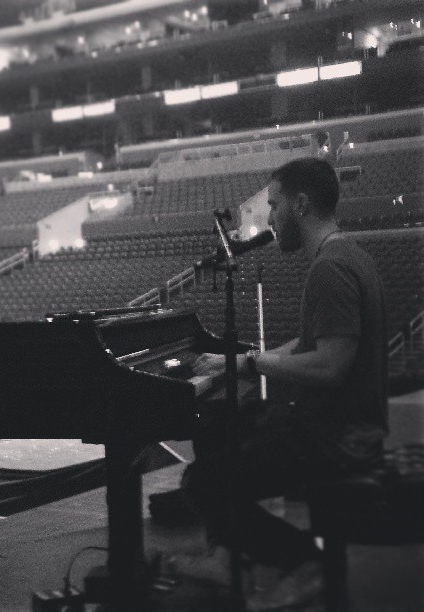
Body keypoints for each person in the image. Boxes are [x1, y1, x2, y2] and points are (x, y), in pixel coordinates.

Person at [170, 157, 388, 610]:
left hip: (336, 439)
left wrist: (252, 364)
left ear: (301, 204)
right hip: (341, 427)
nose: (269, 219)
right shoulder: (349, 255)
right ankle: (227, 553)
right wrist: (237, 362)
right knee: (221, 428)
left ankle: (307, 564)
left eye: (274, 205)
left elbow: (330, 366)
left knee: (202, 482)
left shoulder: (330, 270)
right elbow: (311, 343)